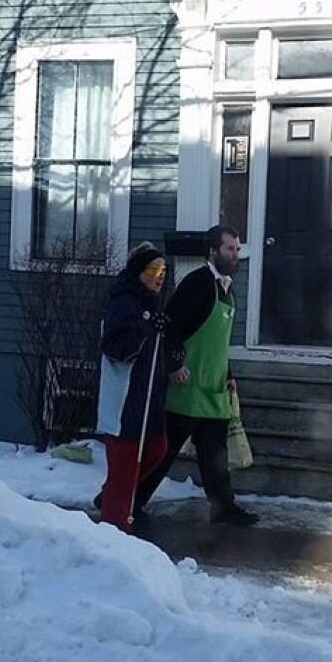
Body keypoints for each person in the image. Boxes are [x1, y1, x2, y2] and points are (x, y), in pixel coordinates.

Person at [134, 224, 258, 526]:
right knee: (164, 451)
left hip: (213, 388)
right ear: (214, 251)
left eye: (238, 249)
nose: (235, 255)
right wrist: (174, 364)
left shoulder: (227, 291)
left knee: (215, 455)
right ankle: (130, 499)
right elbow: (171, 328)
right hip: (187, 387)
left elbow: (219, 342)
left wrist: (228, 373)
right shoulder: (198, 283)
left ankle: (223, 508)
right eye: (230, 249)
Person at [96, 242, 168, 534]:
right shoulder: (124, 303)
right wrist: (143, 331)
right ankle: (112, 533)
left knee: (158, 447)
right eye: (153, 270)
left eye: (163, 270)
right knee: (124, 469)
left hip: (148, 398)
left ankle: (111, 497)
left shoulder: (149, 303)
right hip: (125, 401)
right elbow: (114, 348)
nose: (159, 276)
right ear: (139, 272)